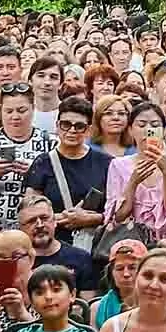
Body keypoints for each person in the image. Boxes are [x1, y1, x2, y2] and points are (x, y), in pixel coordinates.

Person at [0, 82, 61, 231]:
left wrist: (34, 176)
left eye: (21, 110)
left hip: (37, 229)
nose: (15, 116)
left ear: (33, 108)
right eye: (8, 111)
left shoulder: (51, 143)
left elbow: (60, 192)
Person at [27, 94, 113, 247]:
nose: (72, 131)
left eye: (79, 126)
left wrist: (91, 219)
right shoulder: (42, 163)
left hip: (96, 245)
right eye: (66, 124)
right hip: (52, 246)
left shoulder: (107, 163)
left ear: (88, 130)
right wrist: (62, 218)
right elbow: (30, 210)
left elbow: (118, 212)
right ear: (57, 126)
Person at [104, 99, 166, 248]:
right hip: (133, 244)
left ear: (164, 130)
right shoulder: (118, 165)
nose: (147, 130)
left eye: (155, 125)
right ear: (130, 130)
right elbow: (118, 216)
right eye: (141, 125)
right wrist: (133, 182)